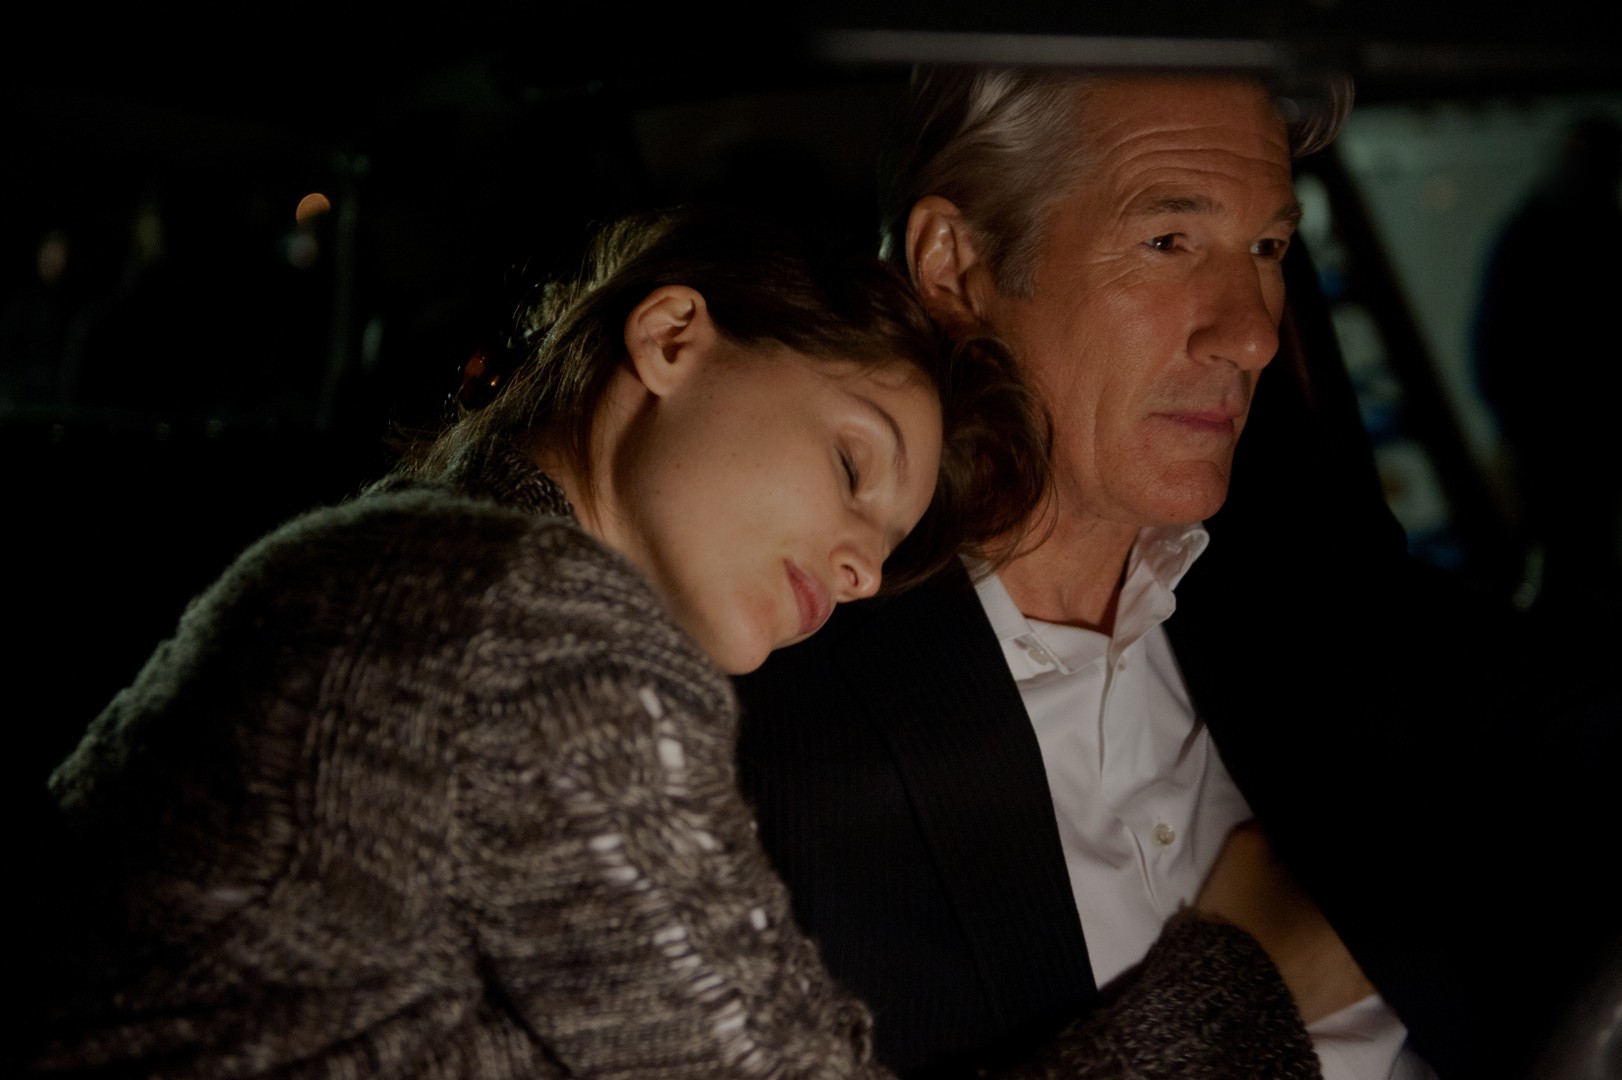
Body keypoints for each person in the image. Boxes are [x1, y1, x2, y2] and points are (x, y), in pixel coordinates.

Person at [28, 207, 1325, 1079]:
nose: (856, 567)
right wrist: (1244, 976)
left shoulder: (415, 563)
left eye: (881, 550)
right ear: (670, 339)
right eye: (850, 462)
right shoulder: (530, 626)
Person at [737, 70, 1621, 1080]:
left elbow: (1555, 713)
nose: (1251, 332)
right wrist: (1237, 995)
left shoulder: (1282, 549)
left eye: (1266, 249)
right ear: (957, 266)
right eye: (1168, 242)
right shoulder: (780, 713)